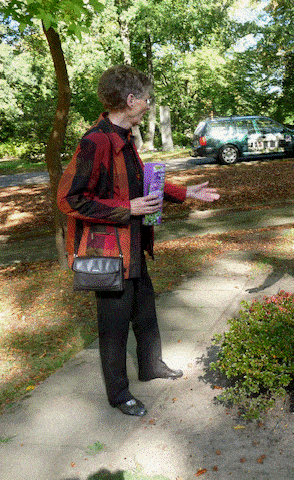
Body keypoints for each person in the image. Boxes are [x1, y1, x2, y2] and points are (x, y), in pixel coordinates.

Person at [57, 65, 220, 417]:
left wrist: (185, 192)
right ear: (130, 100)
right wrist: (124, 208)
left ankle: (151, 366)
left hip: (133, 247)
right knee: (113, 330)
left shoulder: (126, 138)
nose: (148, 104)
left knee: (145, 314)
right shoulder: (95, 141)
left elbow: (143, 187)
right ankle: (119, 395)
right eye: (146, 99)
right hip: (107, 255)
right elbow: (68, 199)